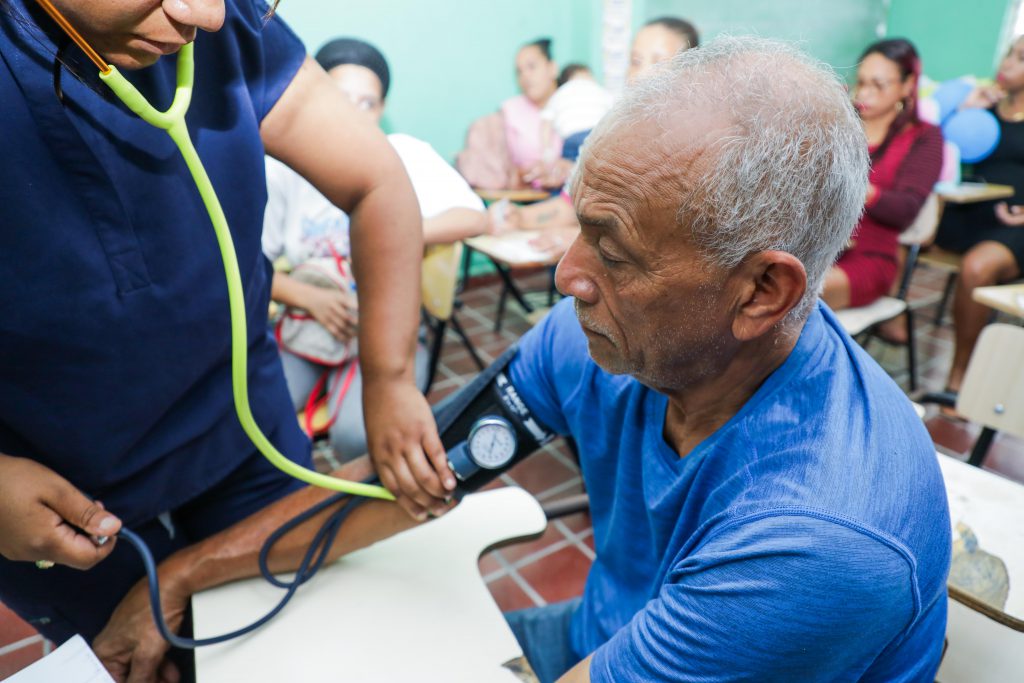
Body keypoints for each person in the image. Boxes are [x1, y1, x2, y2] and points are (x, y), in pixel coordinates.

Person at [94, 37, 950, 683]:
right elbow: (410, 476)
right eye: (579, 224)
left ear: (762, 290)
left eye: (613, 250)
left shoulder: (818, 541)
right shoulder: (601, 341)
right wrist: (180, 575)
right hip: (602, 632)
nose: (567, 274)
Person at [0, 0, 449, 659]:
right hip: (57, 496)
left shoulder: (227, 24)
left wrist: (389, 377)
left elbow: (376, 181)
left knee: (289, 645)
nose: (208, 17)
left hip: (243, 436)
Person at [264, 37, 493, 460]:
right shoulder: (284, 168)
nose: (353, 114)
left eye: (367, 103)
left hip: (384, 325)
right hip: (308, 322)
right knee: (257, 414)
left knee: (360, 437)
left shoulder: (404, 154)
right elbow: (250, 265)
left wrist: (394, 232)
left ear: (382, 109)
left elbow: (476, 217)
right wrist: (311, 298)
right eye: (340, 98)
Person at [504, 16, 700, 254]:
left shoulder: (699, 151)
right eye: (636, 61)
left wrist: (581, 240)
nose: (642, 74)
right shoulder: (607, 133)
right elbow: (570, 206)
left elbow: (671, 240)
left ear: (690, 74)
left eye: (658, 61)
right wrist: (518, 217)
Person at [821, 38, 943, 310]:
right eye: (861, 82)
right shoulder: (842, 124)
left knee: (788, 292)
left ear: (908, 85)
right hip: (822, 247)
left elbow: (906, 208)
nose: (865, 93)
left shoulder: (923, 136)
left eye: (878, 85)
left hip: (870, 255)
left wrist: (858, 189)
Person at [933, 35, 1024, 394]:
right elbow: (940, 150)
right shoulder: (986, 107)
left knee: (976, 268)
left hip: (1015, 225)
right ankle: (889, 319)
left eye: (1020, 58)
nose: (1007, 64)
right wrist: (966, 109)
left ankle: (960, 372)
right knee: (906, 229)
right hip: (971, 211)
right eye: (1009, 55)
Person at [457, 38, 568, 190]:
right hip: (527, 195)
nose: (525, 76)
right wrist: (522, 175)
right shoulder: (510, 111)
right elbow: (500, 169)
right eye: (519, 71)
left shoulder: (574, 103)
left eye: (532, 66)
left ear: (552, 68)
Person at [542, 63, 614, 162]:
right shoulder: (600, 90)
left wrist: (547, 150)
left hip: (571, 139)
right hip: (597, 135)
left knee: (570, 165)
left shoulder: (558, 95)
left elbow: (546, 123)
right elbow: (616, 110)